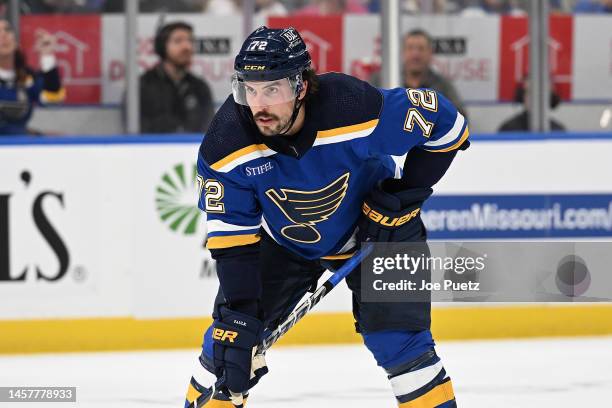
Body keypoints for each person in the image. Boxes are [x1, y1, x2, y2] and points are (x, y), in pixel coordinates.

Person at [184, 26, 468, 407]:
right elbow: (233, 244)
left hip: (386, 230)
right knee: (225, 353)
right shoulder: (226, 144)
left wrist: (403, 197)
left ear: (302, 86)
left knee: (402, 346)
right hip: (285, 241)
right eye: (248, 90)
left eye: (272, 89)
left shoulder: (354, 108)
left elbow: (449, 128)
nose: (258, 106)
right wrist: (239, 319)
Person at [139, 21, 214, 133]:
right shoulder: (143, 86)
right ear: (162, 46)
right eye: (178, 41)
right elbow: (138, 130)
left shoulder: (200, 87)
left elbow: (209, 130)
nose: (187, 46)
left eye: (190, 41)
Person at [0, 19, 64, 135]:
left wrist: (47, 55)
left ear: (16, 41)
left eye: (7, 30)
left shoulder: (26, 76)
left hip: (17, 147)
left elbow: (52, 101)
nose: (3, 35)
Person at [401, 29, 467, 117]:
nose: (415, 54)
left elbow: (460, 120)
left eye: (421, 49)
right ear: (402, 52)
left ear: (430, 53)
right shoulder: (384, 82)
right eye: (410, 48)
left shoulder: (443, 87)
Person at [498, 77, 565, 132]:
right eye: (530, 92)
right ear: (522, 96)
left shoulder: (559, 130)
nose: (537, 97)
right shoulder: (508, 129)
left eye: (543, 93)